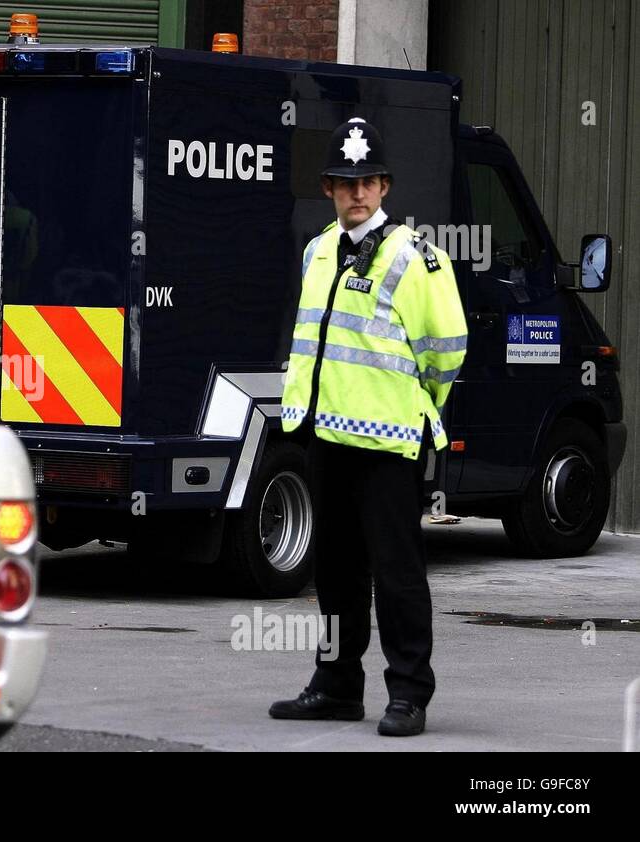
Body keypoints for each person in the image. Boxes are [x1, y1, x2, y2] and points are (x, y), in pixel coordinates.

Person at [270, 118, 467, 737]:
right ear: (330, 188)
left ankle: (408, 693)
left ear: (384, 188)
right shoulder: (318, 250)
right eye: (346, 183)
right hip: (327, 438)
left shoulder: (418, 258)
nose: (358, 193)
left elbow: (447, 350)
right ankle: (335, 685)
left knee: (398, 573)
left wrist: (416, 406)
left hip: (389, 443)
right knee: (336, 575)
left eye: (369, 182)